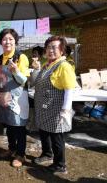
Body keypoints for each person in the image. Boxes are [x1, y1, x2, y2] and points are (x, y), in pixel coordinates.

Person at [31, 36, 76, 174]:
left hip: (56, 109)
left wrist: (65, 110)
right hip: (44, 108)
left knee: (56, 137)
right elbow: (35, 82)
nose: (50, 50)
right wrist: (37, 69)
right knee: (44, 132)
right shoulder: (46, 64)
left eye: (54, 47)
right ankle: (47, 154)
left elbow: (69, 89)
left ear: (62, 50)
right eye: (48, 47)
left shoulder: (64, 66)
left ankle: (60, 164)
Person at [0, 29, 30, 168]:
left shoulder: (20, 57)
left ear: (15, 41)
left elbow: (23, 81)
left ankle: (21, 154)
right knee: (9, 125)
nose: (7, 42)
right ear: (1, 42)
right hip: (4, 96)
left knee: (19, 126)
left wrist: (16, 71)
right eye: (4, 39)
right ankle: (12, 149)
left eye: (10, 39)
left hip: (18, 97)